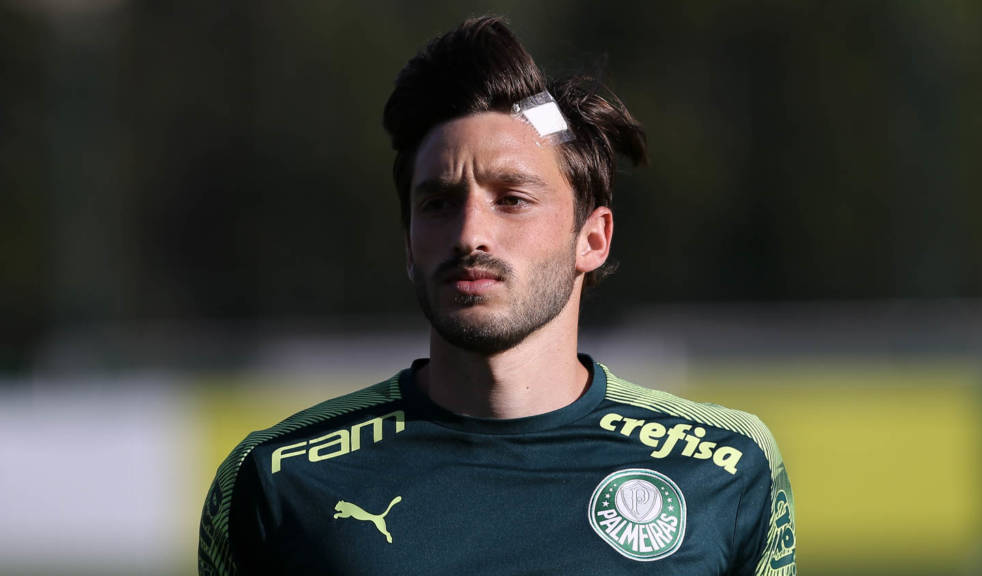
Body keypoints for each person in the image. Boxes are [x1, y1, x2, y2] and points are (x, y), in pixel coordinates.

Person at [199, 16, 796, 575]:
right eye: (438, 203)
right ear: (408, 244)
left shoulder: (727, 470)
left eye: (512, 199)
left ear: (592, 239)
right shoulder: (276, 483)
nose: (469, 235)